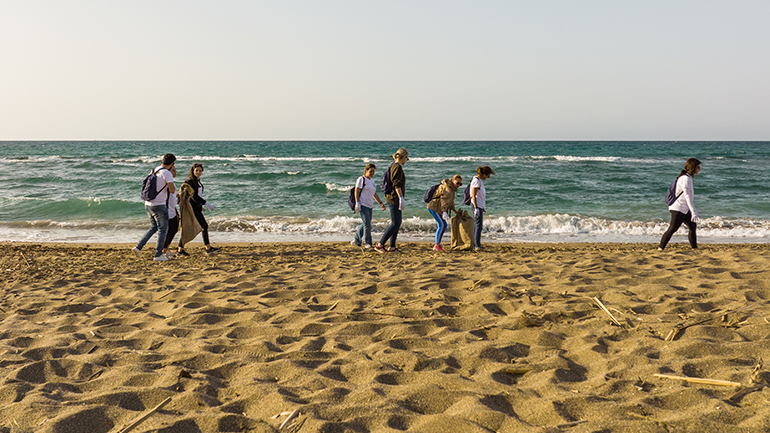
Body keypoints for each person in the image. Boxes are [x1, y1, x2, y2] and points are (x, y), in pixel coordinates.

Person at [133, 153, 176, 261]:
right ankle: (158, 255)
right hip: (159, 205)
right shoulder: (167, 173)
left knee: (154, 227)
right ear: (172, 163)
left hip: (148, 204)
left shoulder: (154, 170)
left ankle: (138, 247)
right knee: (163, 230)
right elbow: (172, 190)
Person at [658, 158, 701, 251]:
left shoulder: (687, 177)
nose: (699, 169)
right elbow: (686, 195)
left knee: (692, 227)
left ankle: (694, 248)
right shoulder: (685, 178)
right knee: (673, 229)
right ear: (693, 168)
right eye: (698, 167)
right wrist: (693, 211)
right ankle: (660, 248)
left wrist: (691, 210)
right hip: (678, 208)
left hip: (684, 208)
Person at [177, 163, 220, 256]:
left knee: (199, 227)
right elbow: (194, 196)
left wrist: (203, 204)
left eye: (200, 170)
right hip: (192, 208)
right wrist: (205, 203)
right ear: (193, 171)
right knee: (203, 226)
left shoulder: (197, 181)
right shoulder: (190, 181)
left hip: (197, 208)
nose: (198, 172)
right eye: (197, 170)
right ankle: (208, 248)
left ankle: (180, 250)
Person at [375, 148, 409, 253]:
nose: (407, 160)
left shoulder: (392, 165)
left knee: (397, 223)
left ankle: (392, 247)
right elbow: (396, 184)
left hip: (392, 197)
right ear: (402, 157)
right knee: (395, 223)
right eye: (406, 158)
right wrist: (401, 198)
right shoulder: (397, 167)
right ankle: (380, 244)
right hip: (394, 198)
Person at [352, 163, 387, 248]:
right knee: (367, 224)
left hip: (370, 205)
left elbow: (374, 193)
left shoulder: (372, 181)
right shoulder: (361, 179)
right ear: (366, 170)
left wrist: (380, 203)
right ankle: (368, 243)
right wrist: (357, 203)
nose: (372, 173)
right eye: (370, 171)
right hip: (362, 204)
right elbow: (356, 191)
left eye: (373, 171)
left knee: (366, 223)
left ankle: (356, 240)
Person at [427, 174, 462, 251]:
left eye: (460, 184)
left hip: (438, 208)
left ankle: (437, 244)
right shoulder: (447, 189)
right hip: (434, 207)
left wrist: (454, 210)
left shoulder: (452, 189)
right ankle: (436, 245)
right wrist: (444, 212)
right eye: (457, 183)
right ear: (453, 181)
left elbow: (450, 202)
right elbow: (444, 201)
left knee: (443, 225)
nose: (458, 185)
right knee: (442, 225)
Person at [470, 166, 495, 251]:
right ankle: (477, 245)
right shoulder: (476, 181)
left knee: (479, 226)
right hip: (476, 206)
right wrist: (476, 208)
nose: (488, 177)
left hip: (479, 206)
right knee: (478, 226)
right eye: (488, 175)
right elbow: (473, 195)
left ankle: (477, 244)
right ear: (484, 174)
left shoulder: (479, 181)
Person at [161, 164, 179, 259]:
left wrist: (178, 195)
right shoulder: (168, 183)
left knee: (172, 229)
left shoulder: (171, 182)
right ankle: (163, 250)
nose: (175, 172)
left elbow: (172, 195)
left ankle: (165, 249)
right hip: (168, 209)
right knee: (172, 229)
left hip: (172, 208)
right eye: (173, 170)